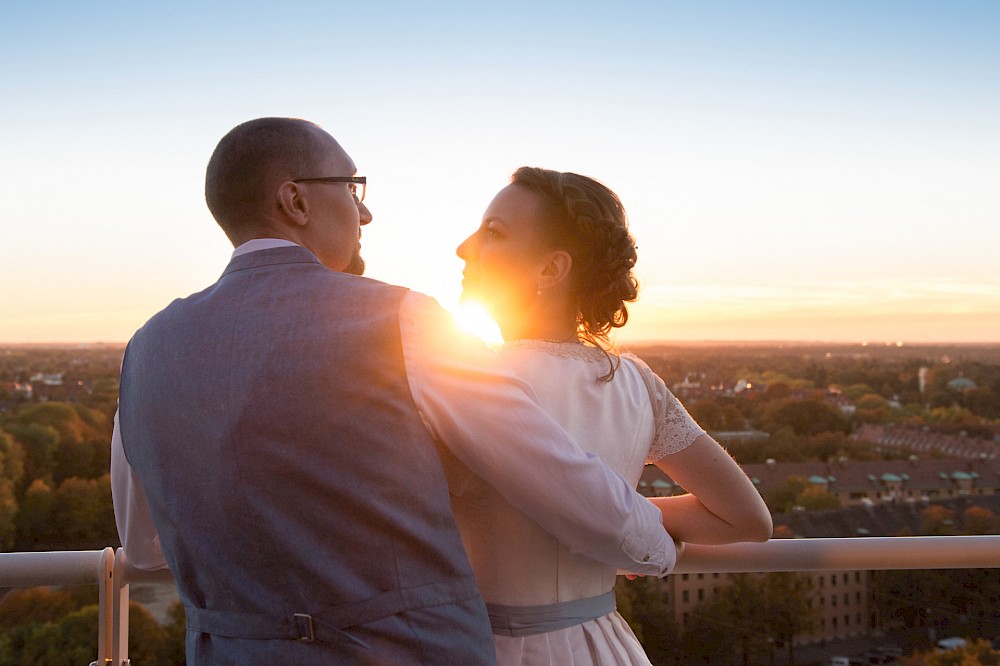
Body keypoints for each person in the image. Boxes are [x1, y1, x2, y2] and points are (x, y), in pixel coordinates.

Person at [110, 118, 677, 665]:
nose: (366, 212)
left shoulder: (146, 349)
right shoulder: (403, 320)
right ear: (296, 201)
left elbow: (143, 548)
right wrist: (655, 545)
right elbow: (557, 475)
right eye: (353, 188)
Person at [454, 167, 773, 665]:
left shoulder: (464, 378)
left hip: (485, 647)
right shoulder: (637, 383)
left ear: (551, 270)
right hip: (603, 646)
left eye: (493, 233)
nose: (464, 247)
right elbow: (747, 519)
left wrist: (619, 517)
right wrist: (625, 520)